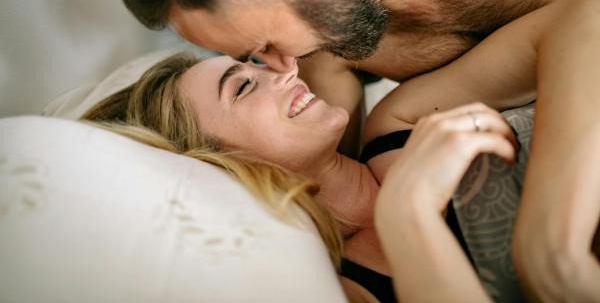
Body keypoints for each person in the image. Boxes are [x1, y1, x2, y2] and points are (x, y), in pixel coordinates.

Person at [109, 0, 600, 299]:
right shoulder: (334, 58)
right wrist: (405, 213)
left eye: (261, 47)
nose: (284, 67)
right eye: (251, 62)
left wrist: (548, 249)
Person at [81, 51, 521, 303]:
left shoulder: (398, 120)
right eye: (243, 86)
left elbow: (566, 25)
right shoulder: (350, 292)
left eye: (257, 63)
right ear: (217, 165)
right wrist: (409, 211)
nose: (284, 71)